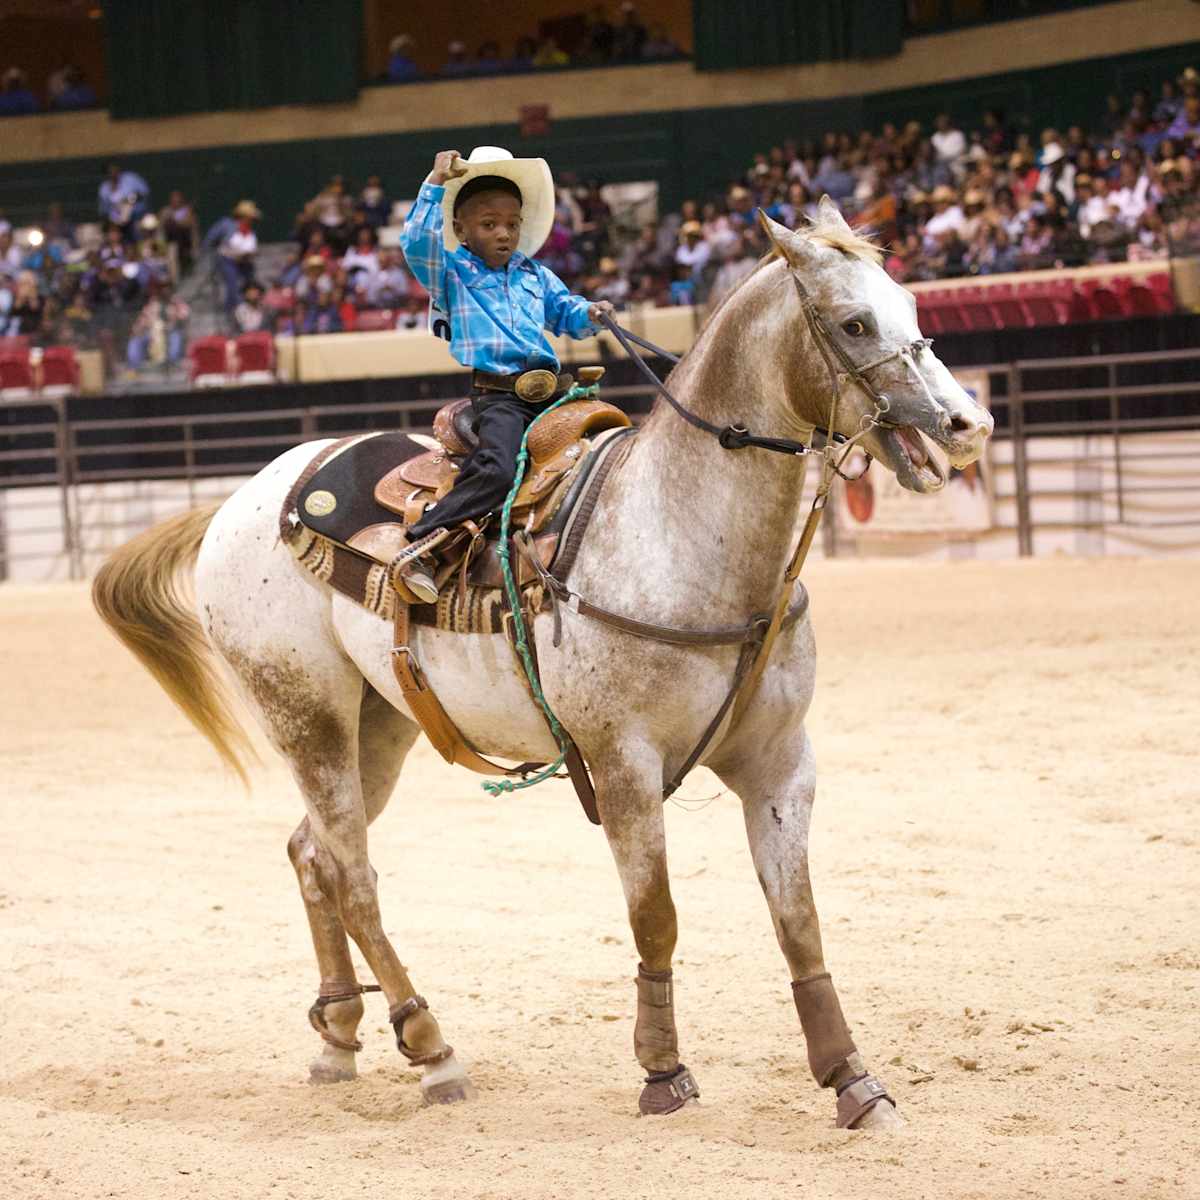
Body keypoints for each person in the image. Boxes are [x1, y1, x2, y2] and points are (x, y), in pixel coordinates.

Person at [397, 146, 613, 601]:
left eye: (513, 224)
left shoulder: (535, 274)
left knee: (609, 449)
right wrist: (435, 184)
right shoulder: (451, 273)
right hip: (500, 397)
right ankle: (426, 544)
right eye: (489, 224)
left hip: (552, 392)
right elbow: (417, 243)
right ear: (461, 230)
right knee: (497, 469)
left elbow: (565, 312)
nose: (504, 234)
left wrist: (590, 313)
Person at [204, 200, 261, 314]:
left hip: (245, 262)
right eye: (249, 217)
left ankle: (249, 310)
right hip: (227, 260)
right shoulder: (226, 224)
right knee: (233, 286)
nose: (251, 220)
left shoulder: (250, 232)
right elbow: (210, 239)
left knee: (250, 285)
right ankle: (232, 311)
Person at [98, 164, 151, 240]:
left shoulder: (130, 179)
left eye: (115, 171)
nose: (114, 174)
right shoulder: (104, 188)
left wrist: (129, 199)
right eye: (111, 172)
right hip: (116, 221)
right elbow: (104, 211)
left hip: (137, 216)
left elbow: (144, 192)